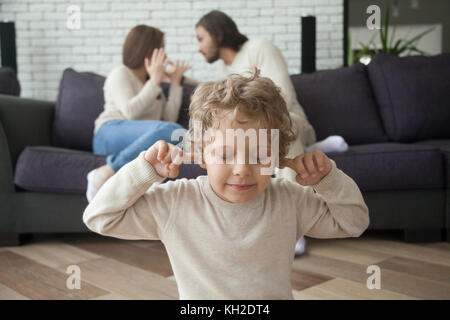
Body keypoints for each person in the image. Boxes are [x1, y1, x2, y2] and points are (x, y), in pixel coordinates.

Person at [83, 70, 370, 300]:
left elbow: (354, 222)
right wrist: (144, 170)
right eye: (225, 154)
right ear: (200, 154)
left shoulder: (291, 200)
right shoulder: (175, 201)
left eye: (259, 155)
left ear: (278, 156)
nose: (242, 170)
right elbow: (99, 218)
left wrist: (329, 179)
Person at [195, 10, 349, 255]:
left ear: (217, 33)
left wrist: (258, 125)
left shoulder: (259, 47)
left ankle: (292, 227)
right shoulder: (222, 72)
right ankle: (313, 149)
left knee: (279, 131)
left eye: (201, 38)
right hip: (253, 136)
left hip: (288, 121)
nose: (199, 47)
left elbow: (283, 96)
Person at [86, 25, 191, 202]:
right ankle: (106, 171)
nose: (164, 56)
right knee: (173, 131)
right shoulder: (121, 73)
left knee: (174, 133)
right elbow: (130, 112)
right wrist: (155, 80)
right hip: (109, 132)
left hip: (140, 140)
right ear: (148, 50)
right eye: (161, 50)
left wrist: (174, 84)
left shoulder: (153, 84)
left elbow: (167, 120)